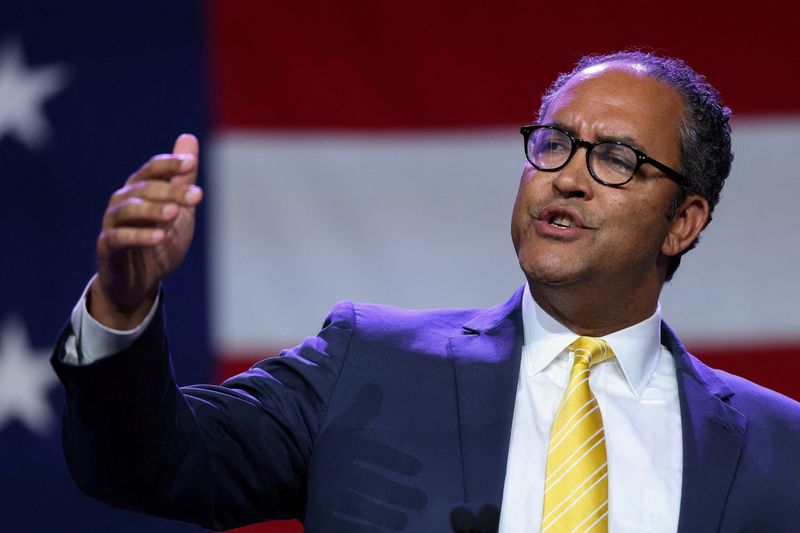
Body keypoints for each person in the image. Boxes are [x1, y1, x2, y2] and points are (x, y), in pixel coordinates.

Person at [52, 51, 800, 532]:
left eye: (614, 158)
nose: (567, 174)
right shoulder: (368, 364)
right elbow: (147, 460)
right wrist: (122, 304)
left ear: (684, 221)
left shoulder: (779, 449)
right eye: (553, 143)